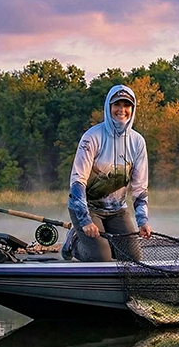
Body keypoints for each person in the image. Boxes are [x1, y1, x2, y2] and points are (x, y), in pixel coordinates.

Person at [62, 84, 152, 261]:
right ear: (108, 107)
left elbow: (140, 187)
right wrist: (85, 219)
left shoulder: (138, 142)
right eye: (117, 104)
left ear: (132, 109)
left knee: (132, 258)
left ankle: (103, 242)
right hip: (88, 208)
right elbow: (77, 181)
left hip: (117, 210)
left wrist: (142, 221)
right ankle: (74, 243)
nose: (122, 110)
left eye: (127, 105)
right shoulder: (92, 137)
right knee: (101, 257)